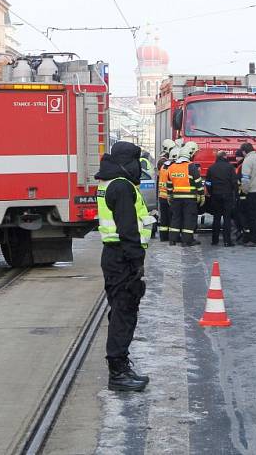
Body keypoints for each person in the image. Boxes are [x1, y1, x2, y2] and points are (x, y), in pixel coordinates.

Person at [95, 141, 153, 392]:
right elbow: (127, 228)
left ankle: (119, 366)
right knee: (124, 312)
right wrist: (136, 259)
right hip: (122, 257)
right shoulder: (121, 186)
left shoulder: (109, 182)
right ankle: (118, 372)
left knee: (120, 310)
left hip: (114, 255)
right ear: (127, 162)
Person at [166, 142, 204, 247]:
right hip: (189, 199)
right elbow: (198, 182)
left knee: (176, 218)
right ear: (189, 155)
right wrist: (201, 194)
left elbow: (169, 184)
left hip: (176, 198)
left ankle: (173, 239)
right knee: (189, 218)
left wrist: (169, 195)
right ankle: (187, 240)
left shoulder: (172, 167)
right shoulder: (191, 166)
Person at [206, 151, 237, 246]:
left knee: (216, 218)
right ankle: (227, 241)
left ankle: (214, 240)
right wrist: (234, 193)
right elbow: (234, 182)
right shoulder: (230, 167)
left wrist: (211, 192)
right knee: (227, 219)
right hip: (227, 195)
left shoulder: (211, 168)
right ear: (224, 157)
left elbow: (208, 183)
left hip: (215, 195)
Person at [156, 139, 177, 242]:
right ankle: (171, 237)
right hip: (168, 194)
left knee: (164, 217)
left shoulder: (162, 162)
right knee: (170, 217)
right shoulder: (166, 163)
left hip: (162, 194)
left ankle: (164, 236)